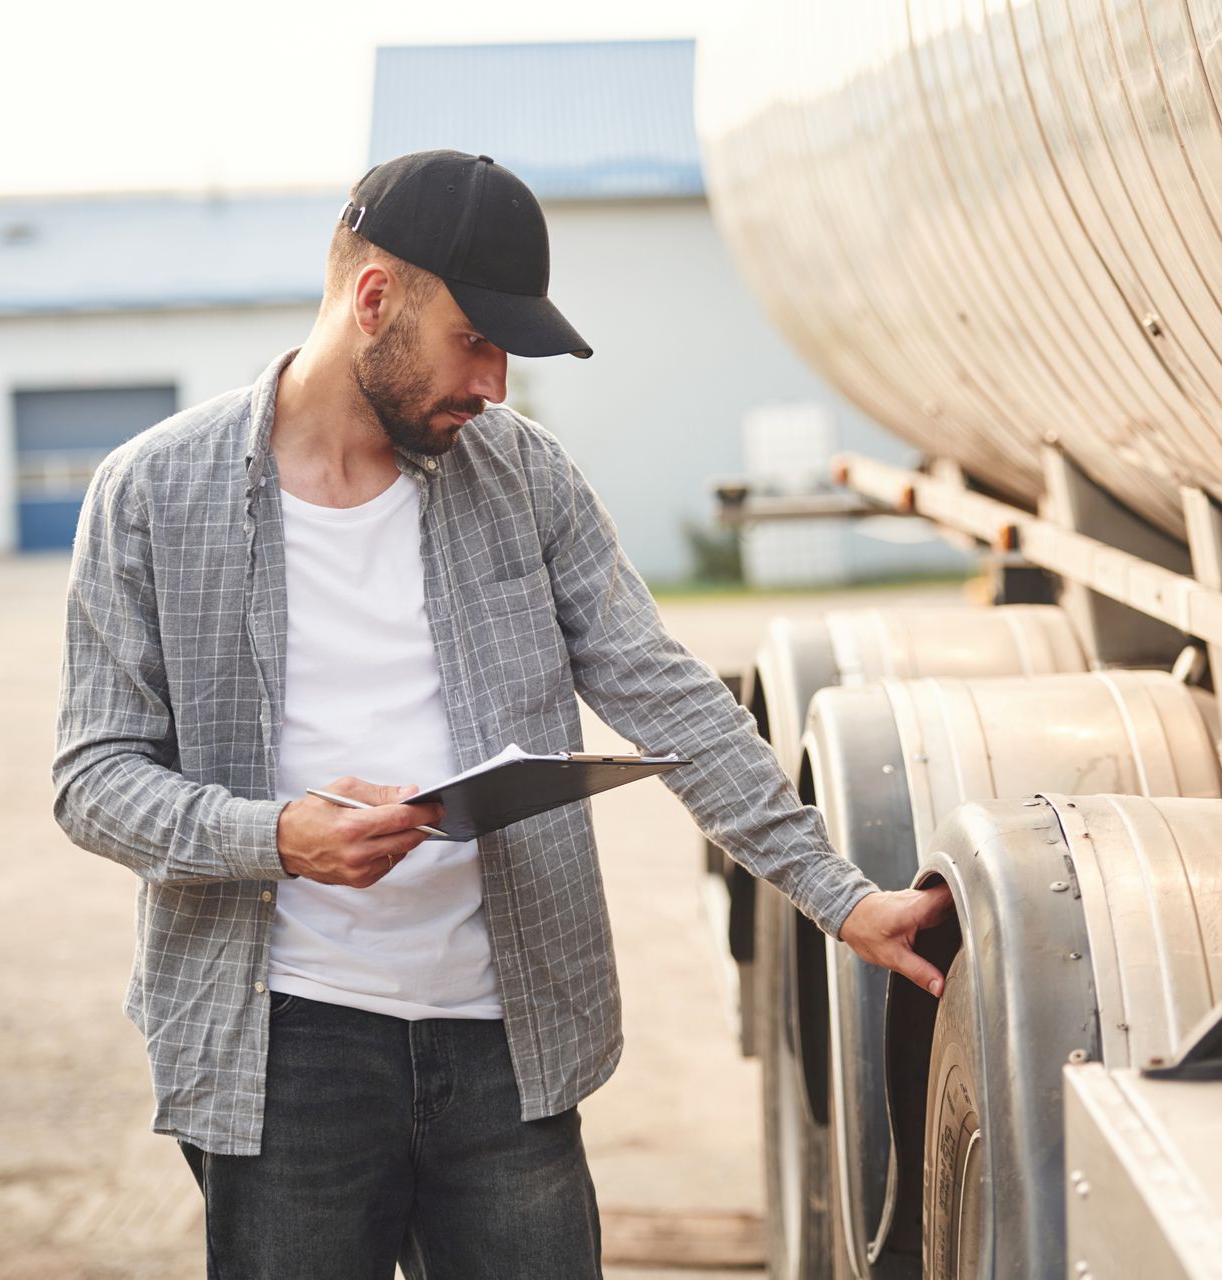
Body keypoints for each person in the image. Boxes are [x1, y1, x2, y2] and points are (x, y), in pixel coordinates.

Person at [51, 149, 953, 1279]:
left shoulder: (525, 478)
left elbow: (665, 689)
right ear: (375, 299)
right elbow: (94, 776)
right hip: (283, 1047)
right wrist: (281, 837)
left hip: (503, 1036)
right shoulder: (150, 493)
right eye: (475, 339)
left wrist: (836, 893)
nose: (494, 382)